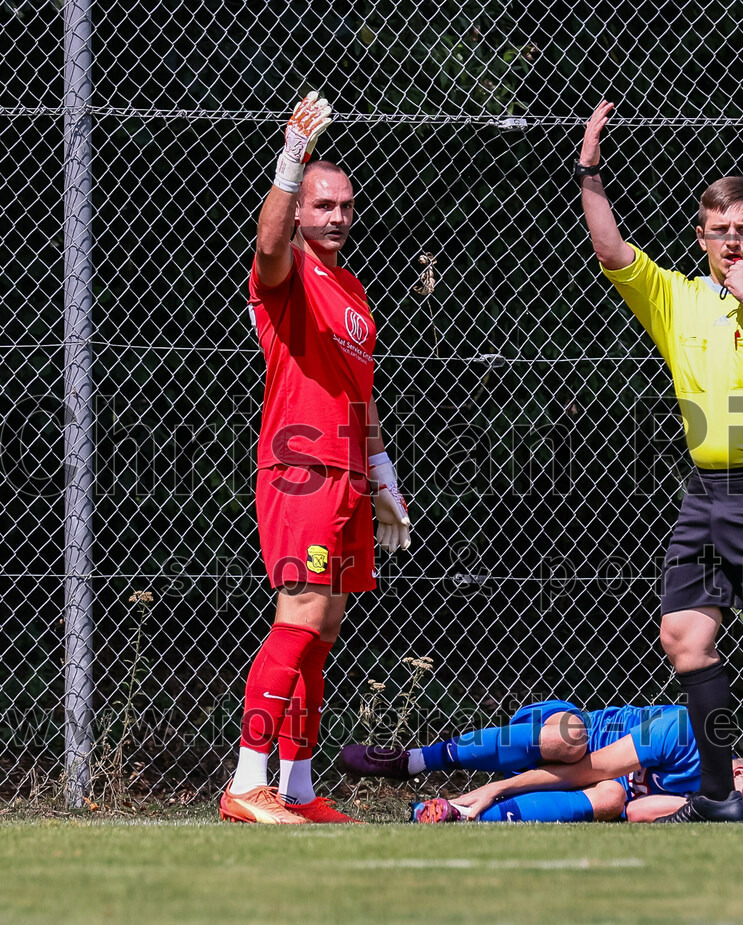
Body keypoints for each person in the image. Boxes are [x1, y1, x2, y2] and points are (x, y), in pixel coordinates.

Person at [574, 101, 743, 823]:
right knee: (684, 636)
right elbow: (610, 251)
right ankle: (719, 795)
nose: (731, 240)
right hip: (707, 489)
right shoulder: (677, 298)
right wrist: (590, 171)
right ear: (700, 236)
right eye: (719, 231)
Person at [219, 92, 413, 825]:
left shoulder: (355, 290)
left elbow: (362, 391)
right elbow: (267, 246)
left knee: (325, 623)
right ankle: (245, 781)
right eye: (322, 204)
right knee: (298, 613)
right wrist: (291, 159)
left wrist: (383, 471)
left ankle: (297, 787)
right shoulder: (288, 271)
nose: (335, 216)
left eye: (345, 206)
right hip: (299, 464)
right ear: (302, 208)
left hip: (349, 472)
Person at [339, 699, 743, 823]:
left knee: (610, 800)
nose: (735, 815)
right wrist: (494, 786)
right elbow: (589, 767)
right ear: (738, 771)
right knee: (573, 740)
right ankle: (415, 760)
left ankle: (454, 815)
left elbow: (638, 811)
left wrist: (712, 814)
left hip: (584, 784)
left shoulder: (708, 804)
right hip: (558, 741)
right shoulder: (686, 731)